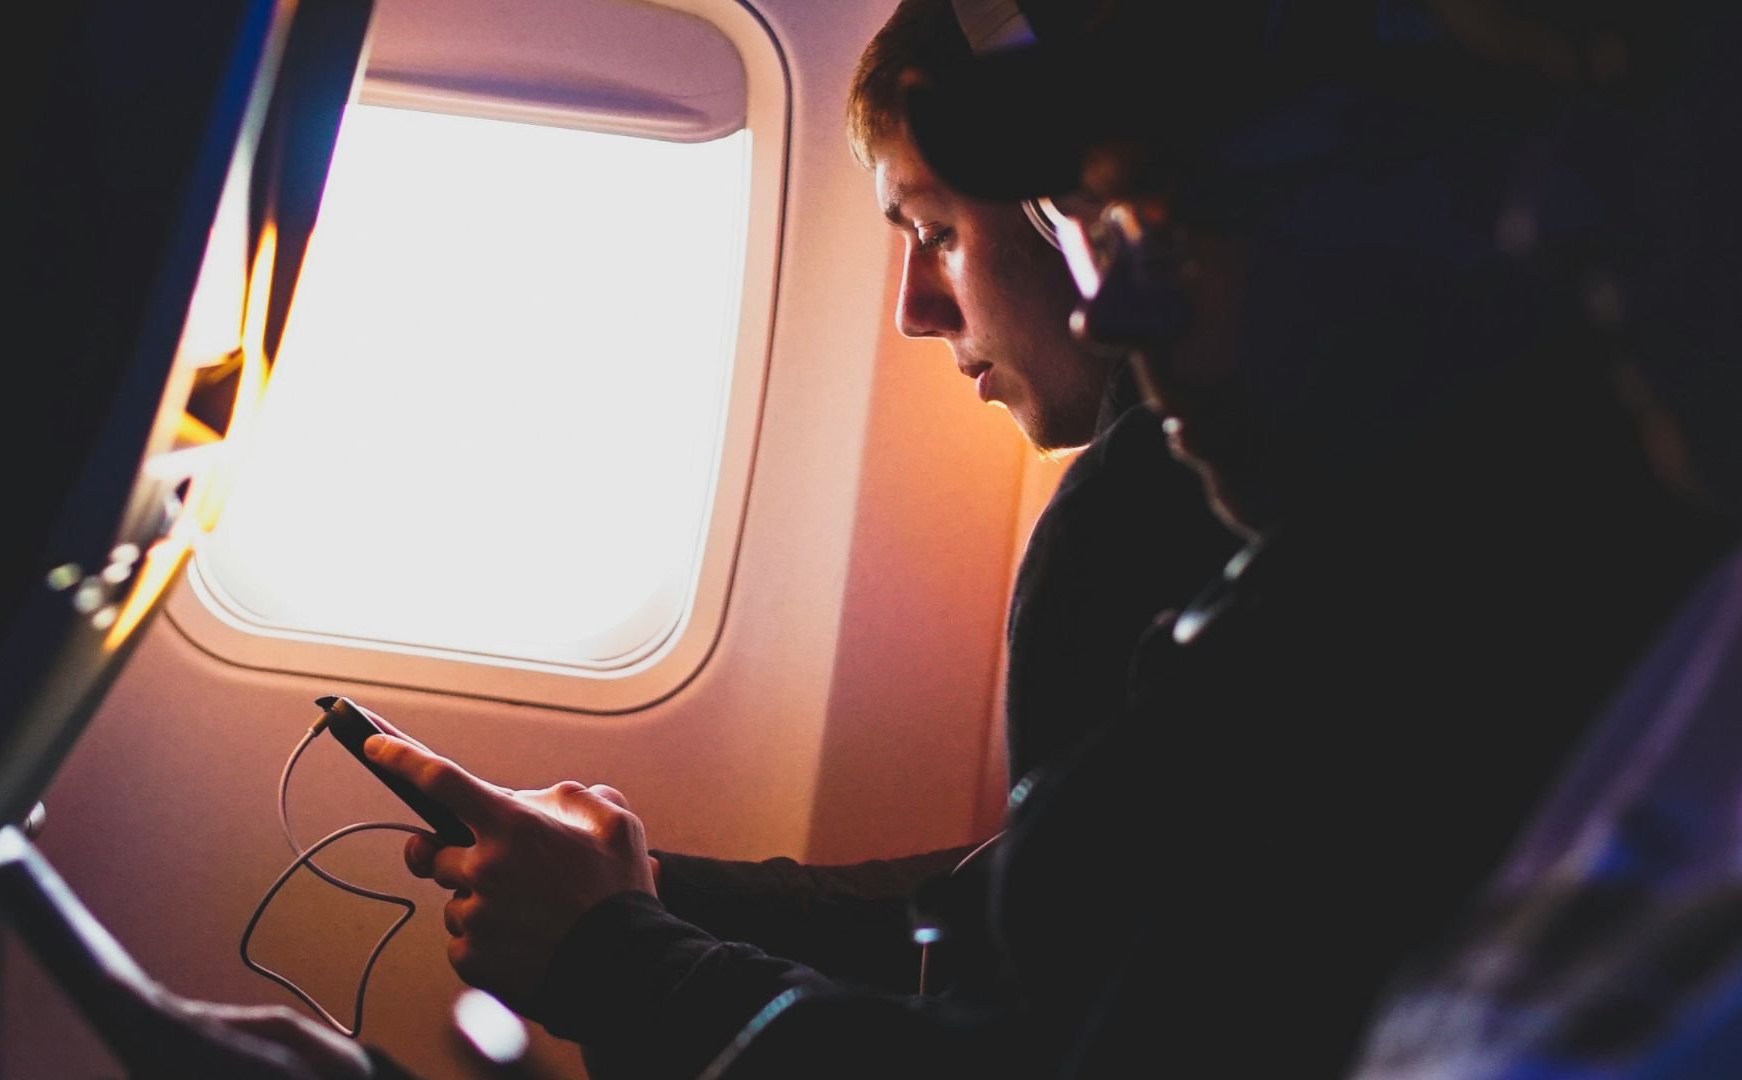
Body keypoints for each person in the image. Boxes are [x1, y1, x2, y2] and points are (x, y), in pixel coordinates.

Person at [359, 2, 1738, 1077]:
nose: (1113, 315)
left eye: (1178, 223)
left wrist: (620, 957)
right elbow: (1023, 921)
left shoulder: (1445, 610)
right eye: (1111, 222)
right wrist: (647, 896)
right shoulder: (1350, 570)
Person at [201, 2, 1236, 1075]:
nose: (914, 312)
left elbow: (1017, 1053)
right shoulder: (1183, 504)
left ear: (1066, 211)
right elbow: (994, 907)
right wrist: (636, 889)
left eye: (935, 233)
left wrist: (610, 951)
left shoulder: (1134, 525)